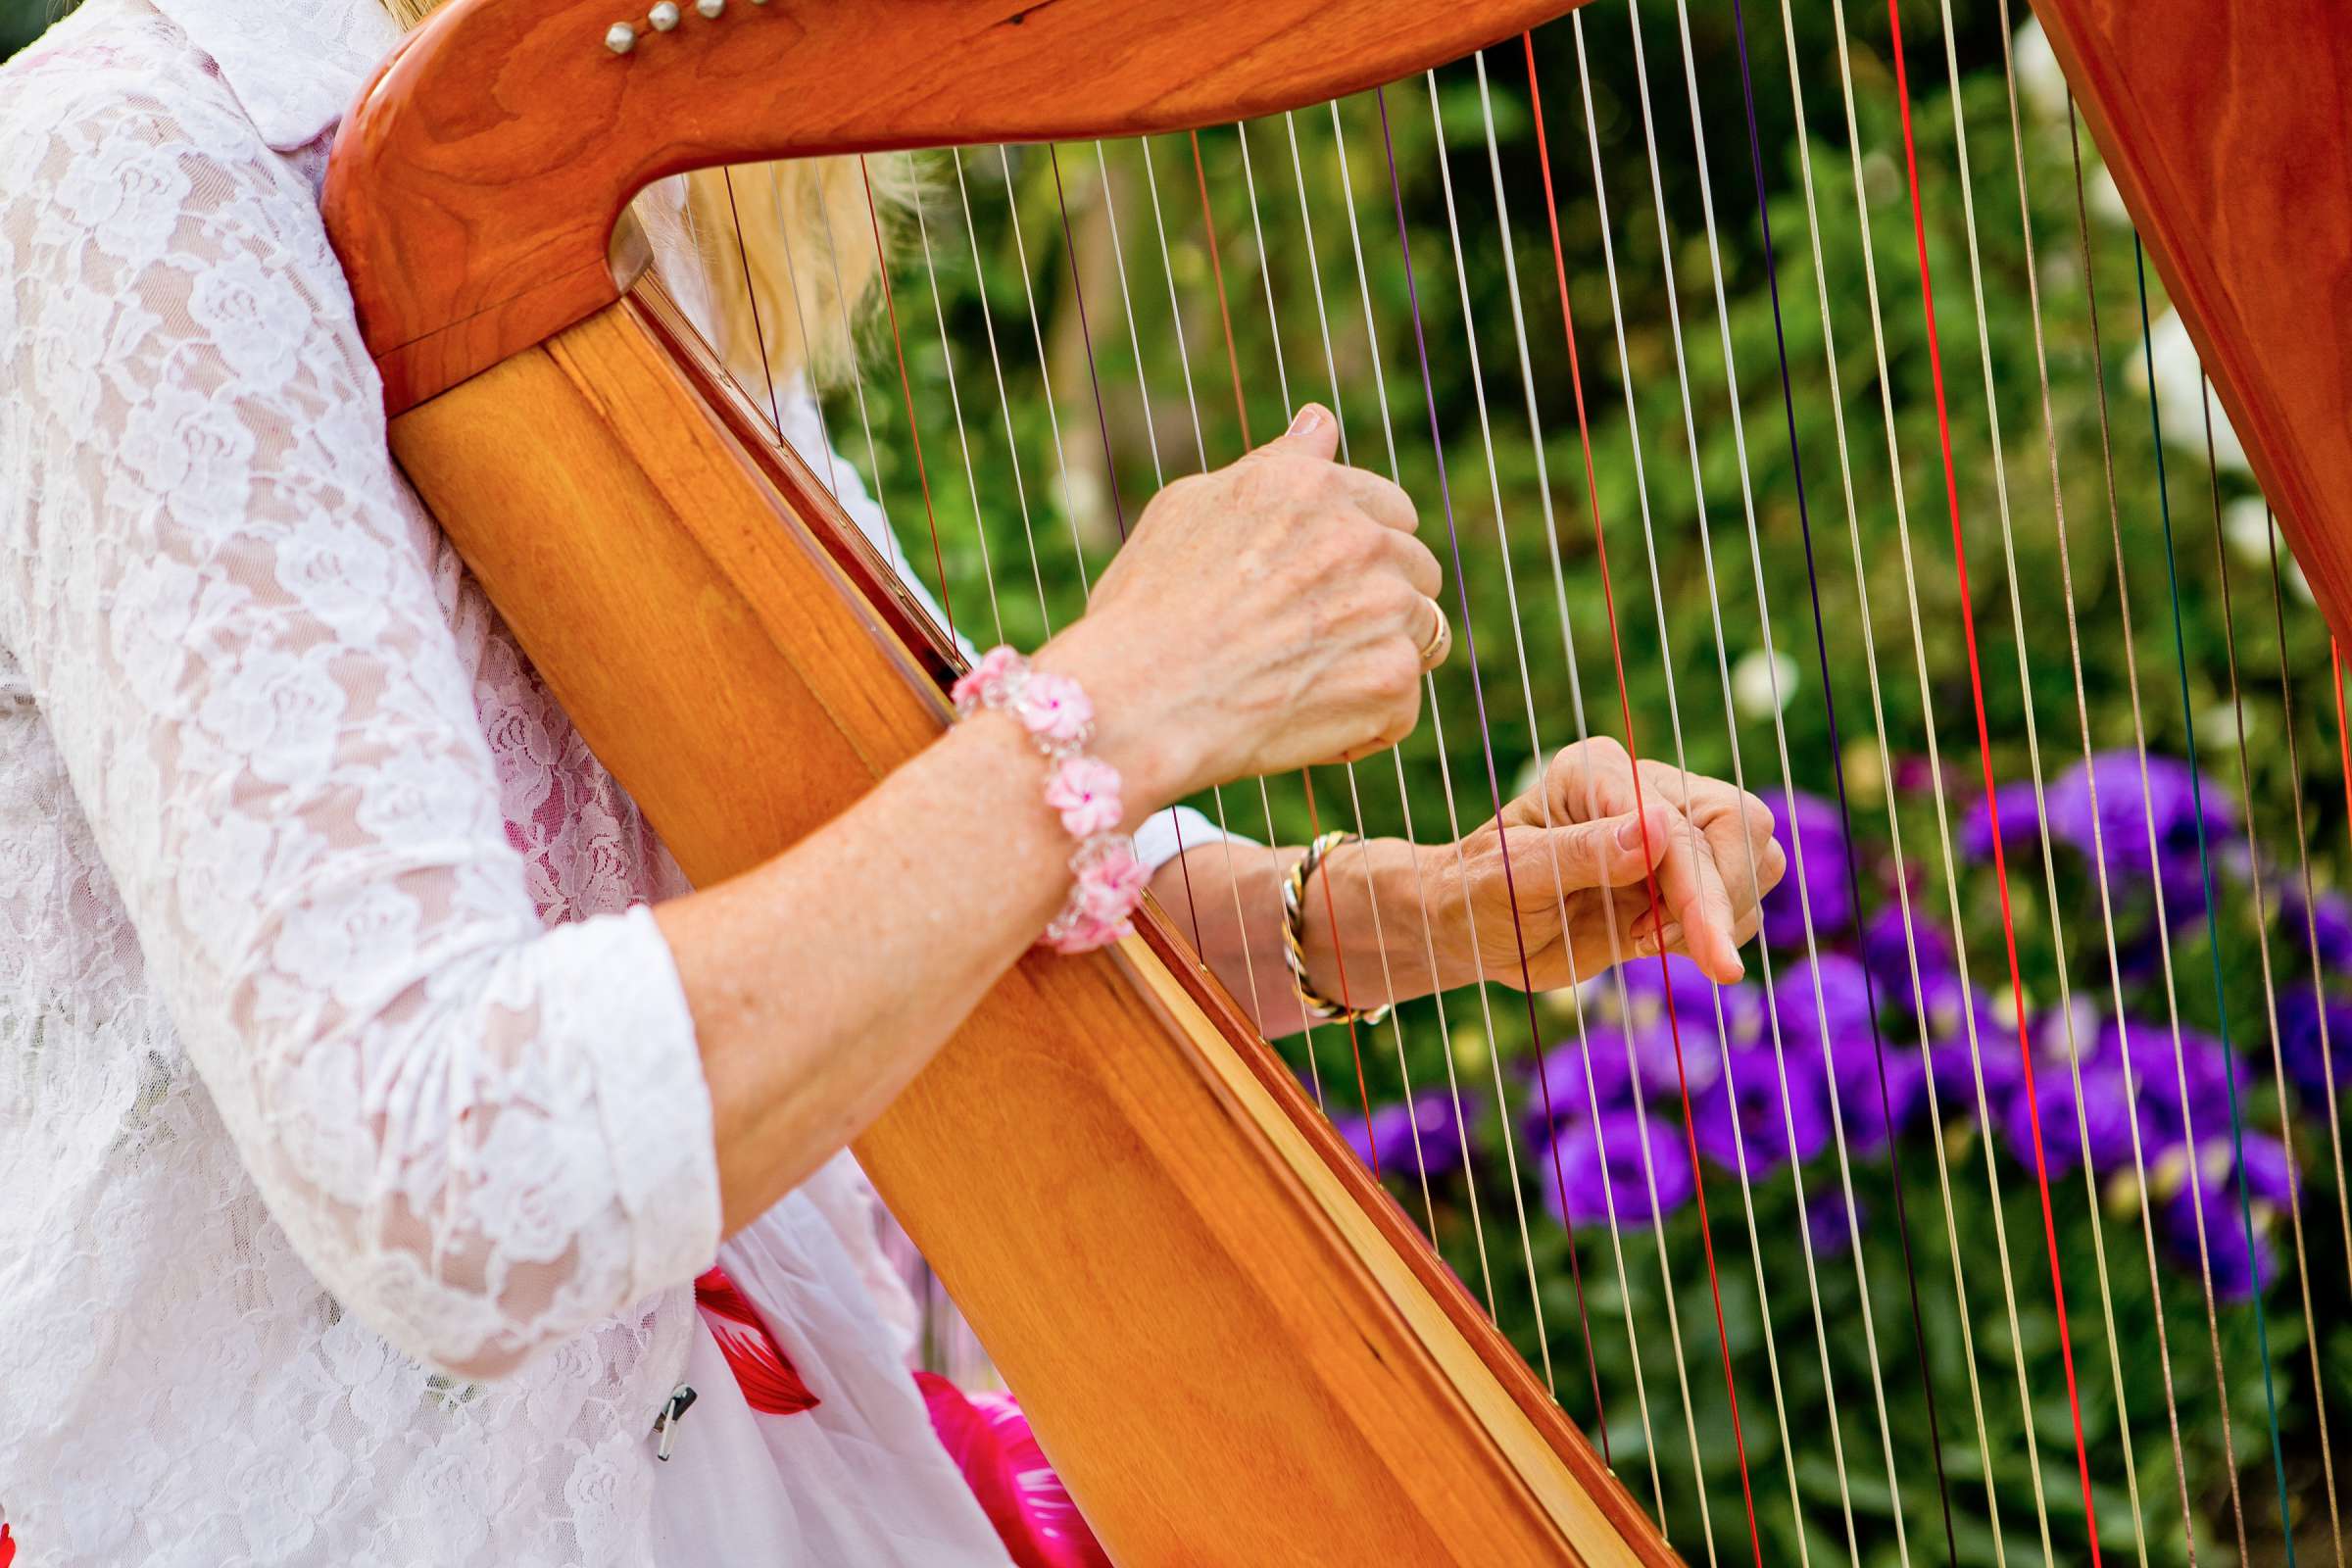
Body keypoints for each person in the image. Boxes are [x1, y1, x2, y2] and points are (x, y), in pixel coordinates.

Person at [0, 0, 1787, 1560]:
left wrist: (1399, 913)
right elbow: (449, 1182)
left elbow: (896, 837)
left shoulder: (577, 172)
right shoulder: (141, 176)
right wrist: (1132, 688)